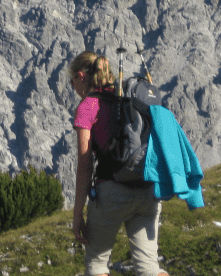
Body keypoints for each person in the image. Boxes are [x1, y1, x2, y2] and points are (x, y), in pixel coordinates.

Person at [69, 51, 170, 276]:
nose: (72, 86)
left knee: (96, 265)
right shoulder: (128, 98)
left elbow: (85, 165)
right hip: (147, 189)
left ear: (80, 76)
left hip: (112, 193)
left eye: (71, 80)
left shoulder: (88, 106)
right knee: (150, 268)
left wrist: (77, 215)